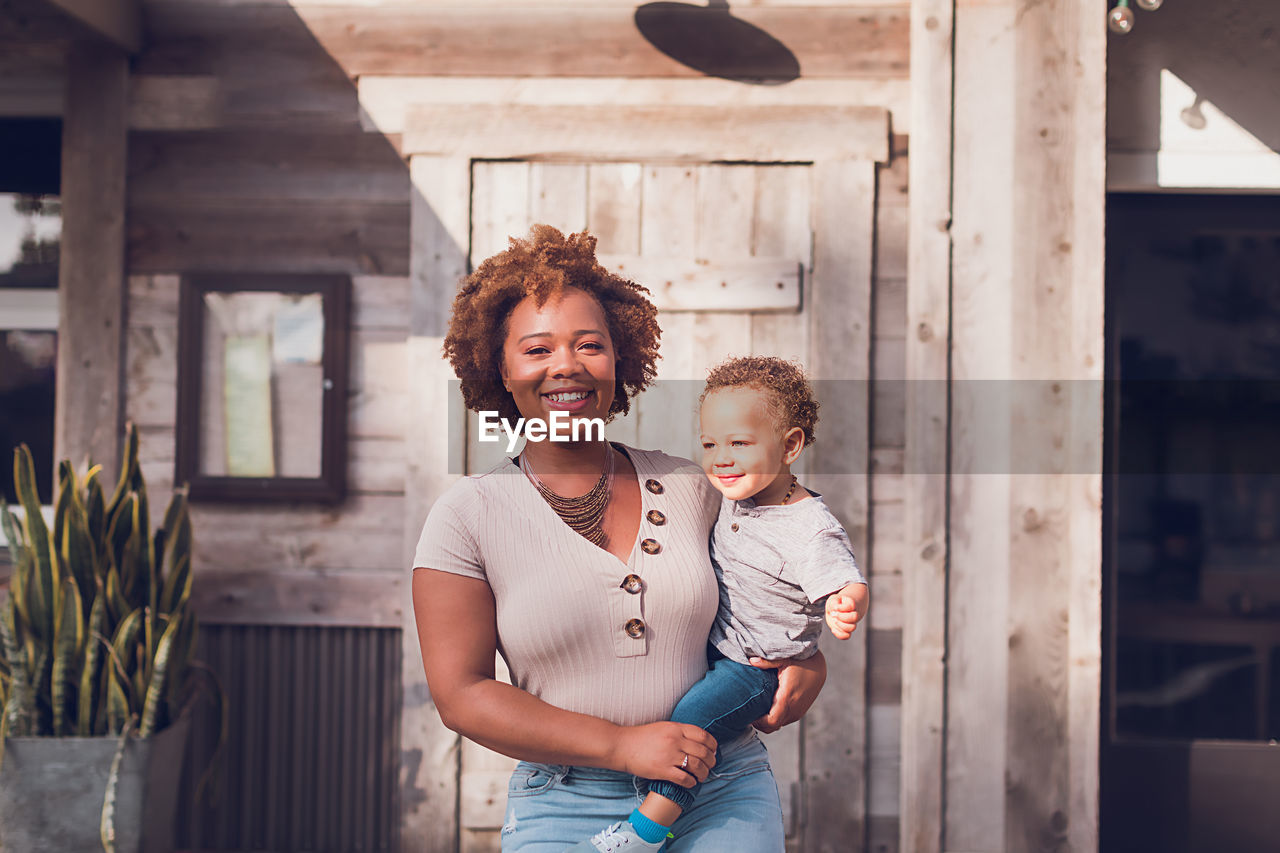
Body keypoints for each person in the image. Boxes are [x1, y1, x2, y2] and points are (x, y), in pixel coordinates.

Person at [410, 225, 828, 852]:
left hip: (719, 788)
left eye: (589, 345)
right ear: (499, 368)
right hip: (565, 802)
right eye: (537, 349)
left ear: (619, 359)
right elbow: (462, 695)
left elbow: (777, 587)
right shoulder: (467, 515)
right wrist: (621, 745)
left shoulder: (696, 487)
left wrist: (809, 663)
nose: (566, 366)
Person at [570, 356, 869, 852]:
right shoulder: (733, 494)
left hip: (754, 667)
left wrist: (845, 604)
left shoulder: (808, 527)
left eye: (740, 443)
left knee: (694, 718)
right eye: (710, 444)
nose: (721, 459)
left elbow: (844, 579)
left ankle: (644, 831)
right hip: (719, 646)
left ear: (791, 445)